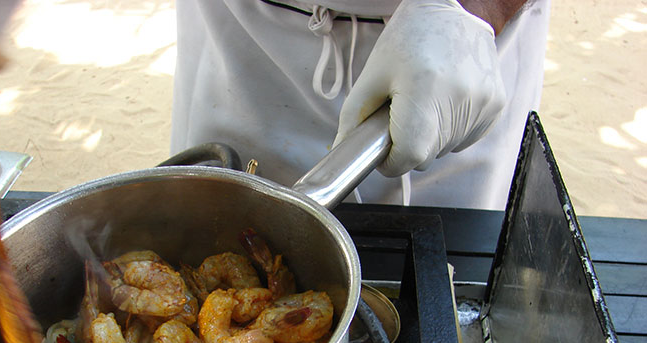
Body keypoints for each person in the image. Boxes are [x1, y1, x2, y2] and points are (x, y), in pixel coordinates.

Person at [170, 0, 551, 209]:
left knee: (454, 260)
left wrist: (482, 11)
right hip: (241, 31)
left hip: (454, 35)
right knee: (208, 222)